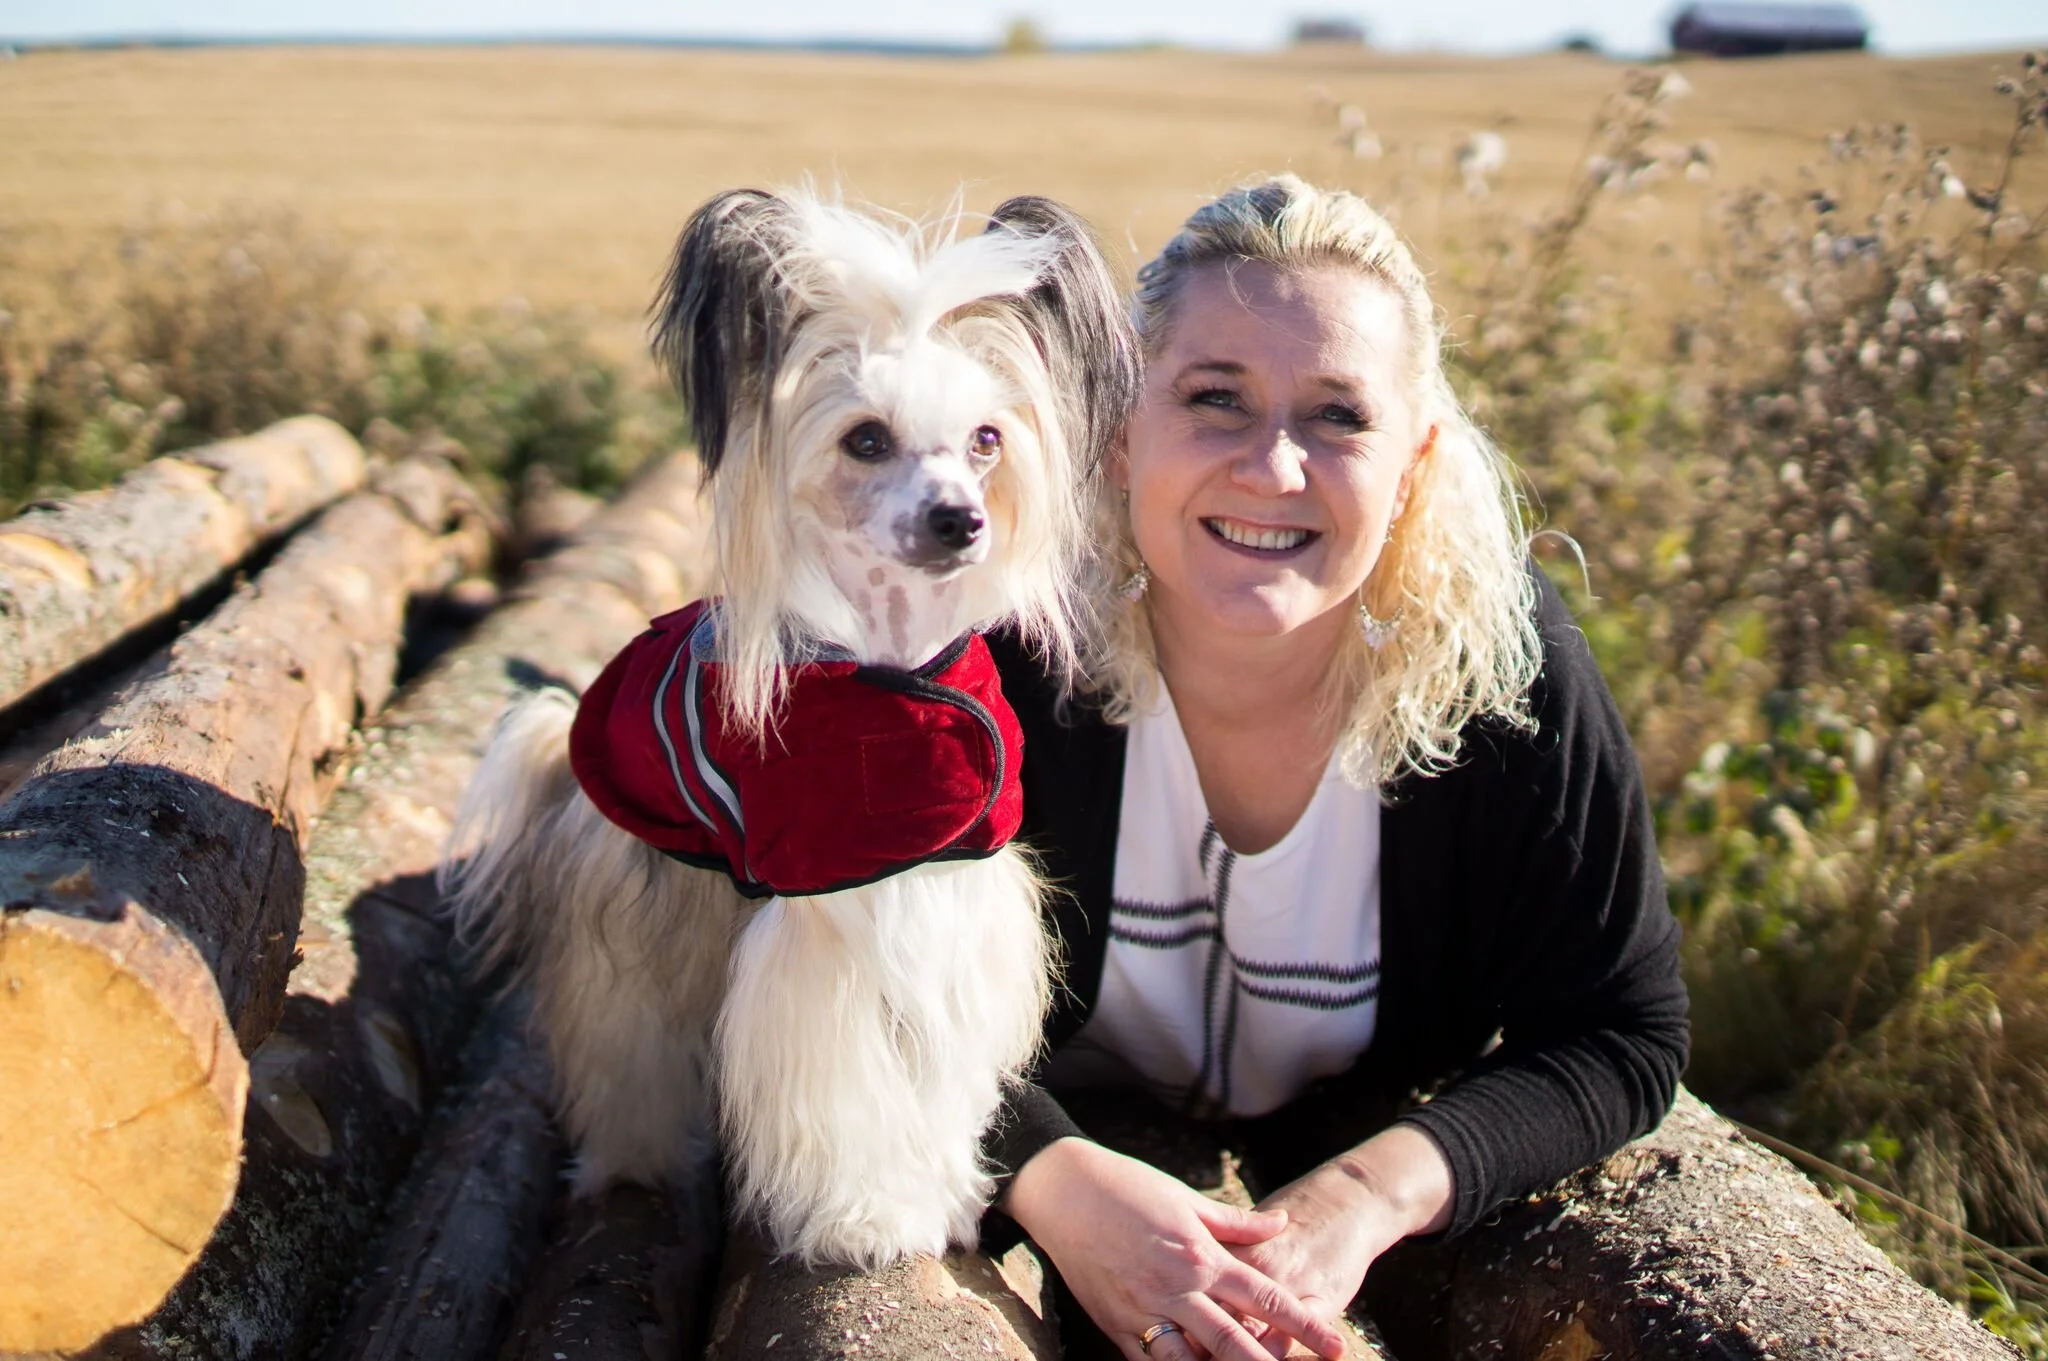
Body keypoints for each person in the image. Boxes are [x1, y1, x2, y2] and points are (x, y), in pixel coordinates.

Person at [978, 175, 1690, 1360]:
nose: (1274, 467)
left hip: (1349, 1133)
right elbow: (854, 977)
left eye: (1336, 417)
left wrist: (1360, 1198)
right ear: (1115, 433)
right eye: (1215, 399)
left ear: (1411, 461)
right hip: (1063, 1125)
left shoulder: (1502, 670)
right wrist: (1051, 1176)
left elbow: (1619, 1026)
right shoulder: (1004, 648)